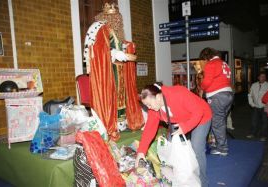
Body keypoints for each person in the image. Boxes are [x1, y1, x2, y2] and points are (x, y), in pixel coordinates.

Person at [83, 3, 143, 140]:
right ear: (104, 16)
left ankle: (121, 123)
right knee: (112, 96)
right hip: (108, 71)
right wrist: (119, 54)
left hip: (120, 69)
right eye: (112, 16)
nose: (115, 18)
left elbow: (117, 45)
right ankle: (110, 125)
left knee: (121, 96)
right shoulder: (101, 29)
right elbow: (100, 50)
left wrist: (127, 47)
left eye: (117, 16)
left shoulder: (116, 32)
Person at [135, 84, 212, 187]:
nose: (149, 108)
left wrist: (185, 128)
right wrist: (141, 152)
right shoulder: (154, 110)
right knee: (171, 149)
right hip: (180, 120)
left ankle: (203, 183)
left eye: (149, 104)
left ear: (158, 97)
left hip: (202, 117)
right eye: (146, 105)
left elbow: (198, 112)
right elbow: (149, 129)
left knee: (197, 148)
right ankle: (180, 179)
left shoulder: (178, 93)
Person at [199, 47, 234, 156]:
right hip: (228, 95)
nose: (204, 62)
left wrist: (201, 86)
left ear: (206, 56)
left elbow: (207, 82)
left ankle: (222, 148)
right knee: (220, 121)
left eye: (203, 59)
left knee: (217, 123)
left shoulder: (211, 64)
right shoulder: (224, 63)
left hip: (217, 96)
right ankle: (216, 143)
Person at [247, 72, 268, 141]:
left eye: (264, 76)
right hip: (255, 106)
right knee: (254, 121)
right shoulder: (254, 85)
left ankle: (263, 135)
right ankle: (253, 133)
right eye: (261, 76)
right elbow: (250, 95)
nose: (263, 78)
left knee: (265, 122)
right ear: (258, 77)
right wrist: (251, 104)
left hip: (265, 106)